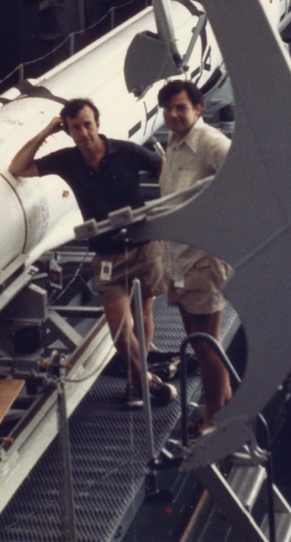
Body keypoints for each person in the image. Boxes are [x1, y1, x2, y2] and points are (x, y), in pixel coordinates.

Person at [9, 98, 176, 407]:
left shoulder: (126, 151)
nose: (84, 133)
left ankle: (135, 384)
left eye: (88, 125)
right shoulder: (66, 160)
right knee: (119, 329)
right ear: (68, 131)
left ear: (97, 124)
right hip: (107, 255)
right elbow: (18, 167)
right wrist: (46, 131)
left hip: (144, 246)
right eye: (75, 128)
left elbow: (166, 168)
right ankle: (146, 378)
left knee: (143, 315)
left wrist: (162, 208)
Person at [157, 80, 232, 434]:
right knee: (197, 341)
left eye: (181, 107)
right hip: (179, 258)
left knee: (206, 344)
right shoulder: (175, 143)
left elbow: (245, 183)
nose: (173, 114)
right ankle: (222, 408)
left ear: (198, 108)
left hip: (203, 259)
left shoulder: (211, 143)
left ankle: (214, 419)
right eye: (168, 109)